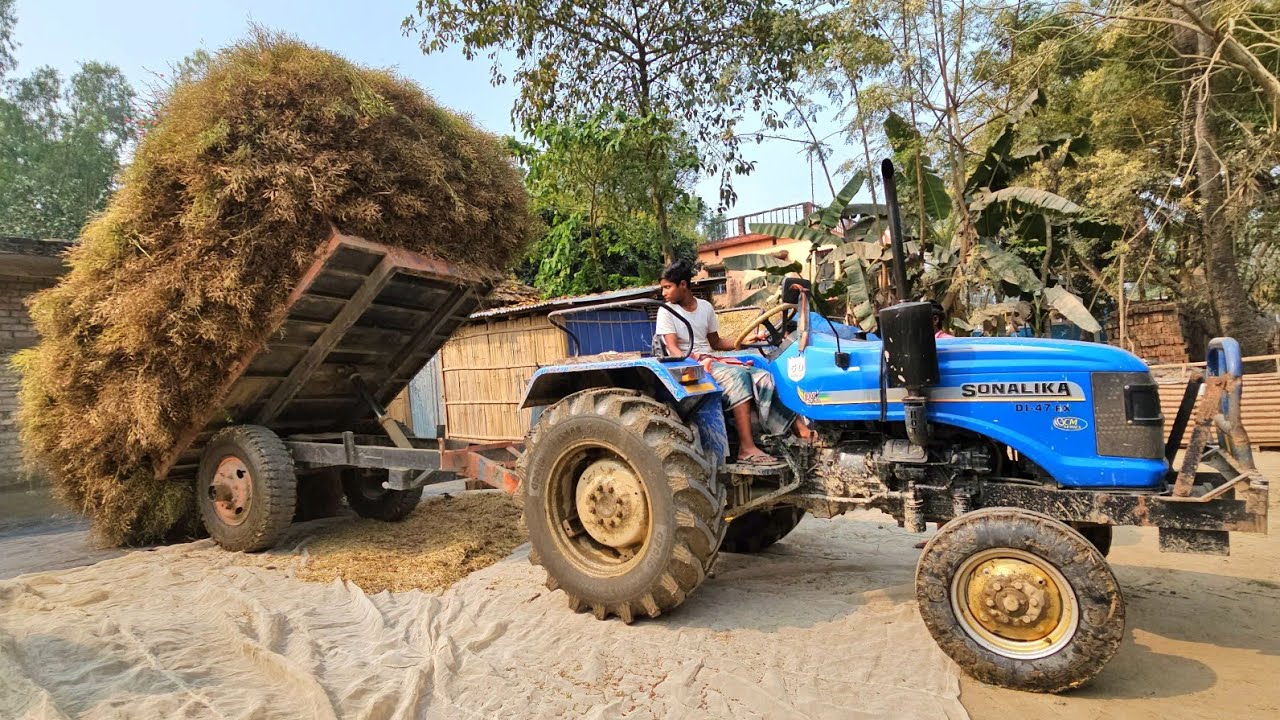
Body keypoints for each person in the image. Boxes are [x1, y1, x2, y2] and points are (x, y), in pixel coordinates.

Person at [656, 261, 780, 465]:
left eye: (667, 287)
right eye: (663, 287)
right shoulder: (666, 311)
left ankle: (774, 434)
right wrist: (696, 362)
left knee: (763, 374)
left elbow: (716, 342)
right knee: (738, 376)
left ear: (683, 285)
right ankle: (746, 448)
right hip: (686, 365)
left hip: (710, 358)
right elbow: (673, 348)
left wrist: (743, 342)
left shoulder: (705, 307)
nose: (663, 293)